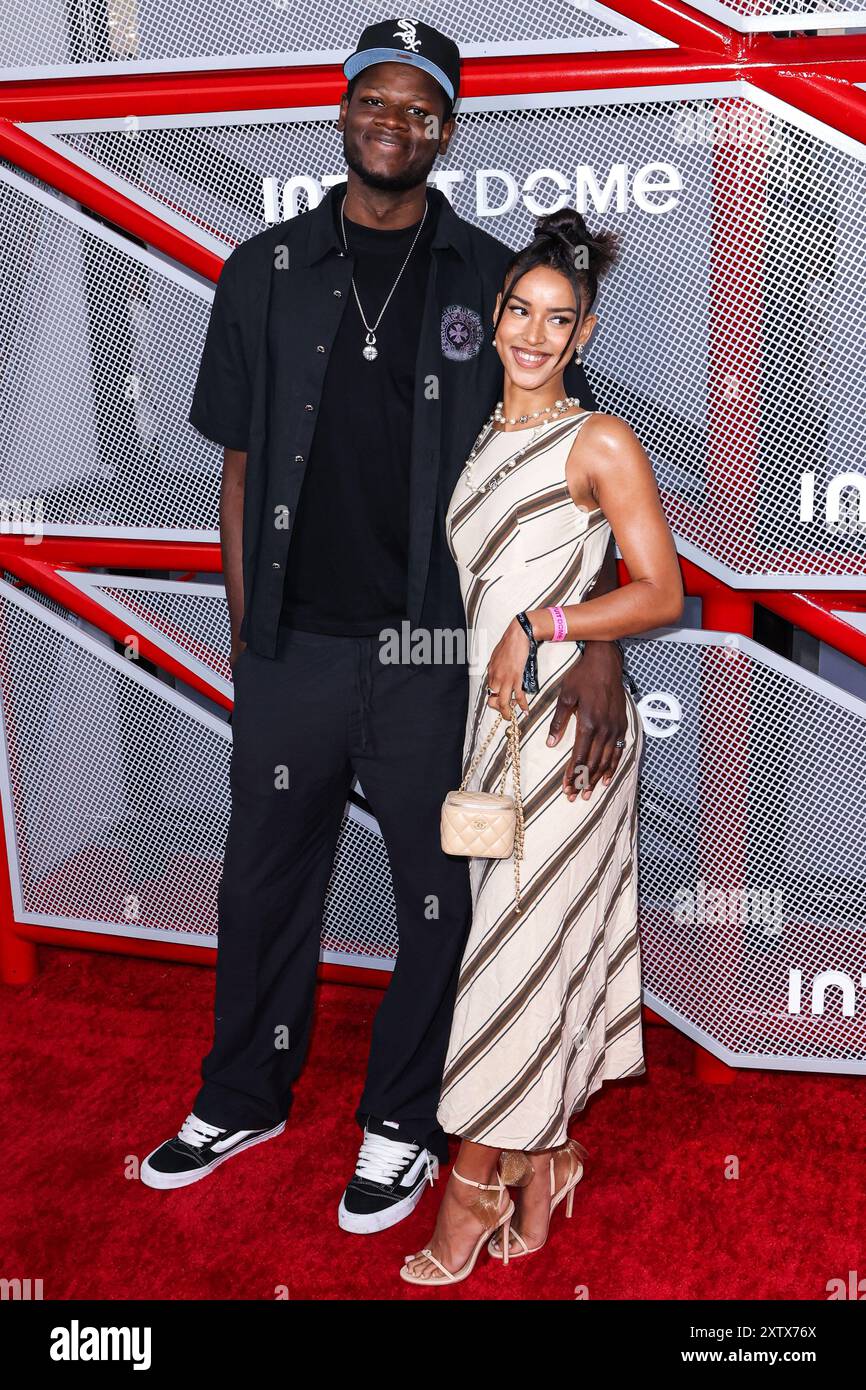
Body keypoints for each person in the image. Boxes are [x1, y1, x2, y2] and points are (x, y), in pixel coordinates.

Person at [140, 19, 631, 1236]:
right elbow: (241, 467)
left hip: (434, 657)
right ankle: (242, 1091)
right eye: (378, 102)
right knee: (262, 882)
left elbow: (573, 460)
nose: (395, 125)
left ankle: (402, 1119)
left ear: (446, 130)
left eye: (421, 110)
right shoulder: (261, 268)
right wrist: (254, 639)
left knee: (436, 897)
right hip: (295, 646)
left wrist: (604, 645)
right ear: (344, 109)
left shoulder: (487, 282)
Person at [401, 208, 684, 1285]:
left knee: (508, 956)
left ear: (584, 333)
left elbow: (660, 590)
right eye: (518, 310)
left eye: (555, 319)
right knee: (520, 946)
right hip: (493, 729)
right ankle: (546, 1159)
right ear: (496, 316)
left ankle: (466, 1189)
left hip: (569, 731)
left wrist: (551, 627)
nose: (531, 332)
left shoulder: (597, 439)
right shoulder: (480, 431)